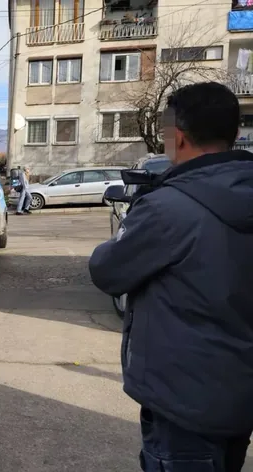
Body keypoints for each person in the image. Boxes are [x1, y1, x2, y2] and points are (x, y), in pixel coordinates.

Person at [88, 82, 253, 472]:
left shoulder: (168, 208)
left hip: (184, 401)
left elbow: (107, 271)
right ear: (234, 133)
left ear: (177, 137)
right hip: (240, 396)